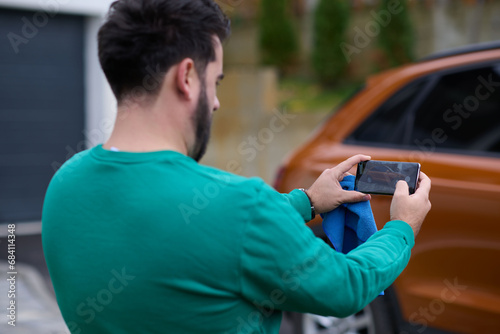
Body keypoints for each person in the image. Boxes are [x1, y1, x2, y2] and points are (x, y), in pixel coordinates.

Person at [41, 0, 431, 333]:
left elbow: (192, 230)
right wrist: (402, 227)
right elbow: (345, 288)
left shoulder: (63, 186)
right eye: (217, 82)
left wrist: (308, 201)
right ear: (188, 77)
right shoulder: (240, 205)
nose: (216, 103)